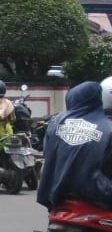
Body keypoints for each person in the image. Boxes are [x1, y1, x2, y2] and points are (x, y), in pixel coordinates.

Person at [35, 79, 112, 211]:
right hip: (96, 195)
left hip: (55, 196)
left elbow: (47, 154)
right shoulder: (107, 126)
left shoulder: (55, 123)